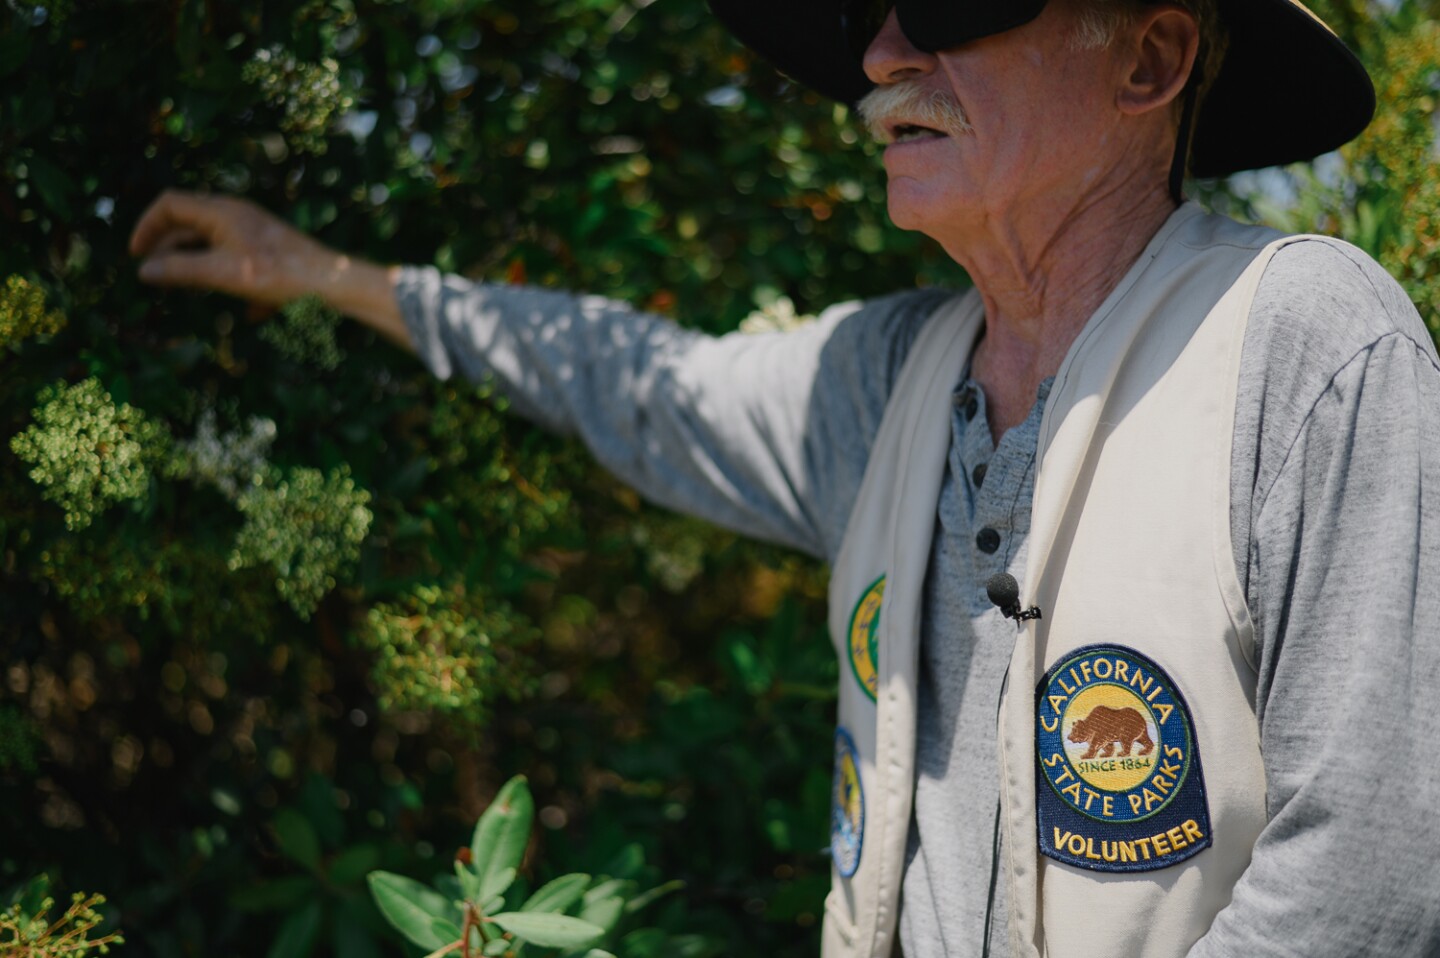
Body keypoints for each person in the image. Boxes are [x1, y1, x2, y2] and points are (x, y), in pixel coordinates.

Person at [128, 0, 1440, 955]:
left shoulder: (1307, 341)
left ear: (1151, 56)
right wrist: (324, 275)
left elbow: (1370, 875)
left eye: (952, 4)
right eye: (875, 14)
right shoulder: (886, 383)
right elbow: (639, 378)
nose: (879, 56)